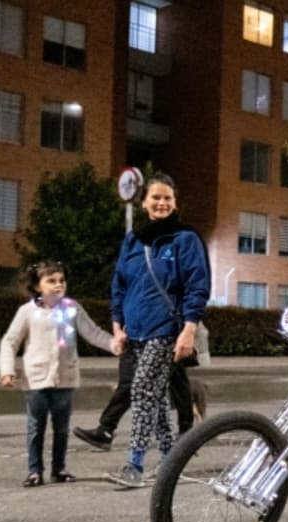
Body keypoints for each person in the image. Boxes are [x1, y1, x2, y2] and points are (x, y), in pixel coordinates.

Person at [105, 173, 210, 488]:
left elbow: (197, 286)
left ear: (175, 202)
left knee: (140, 392)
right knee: (156, 398)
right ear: (145, 202)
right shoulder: (133, 240)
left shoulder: (185, 239)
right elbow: (119, 285)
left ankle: (134, 466)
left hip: (165, 330)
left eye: (168, 198)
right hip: (134, 331)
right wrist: (117, 326)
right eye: (156, 198)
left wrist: (189, 330)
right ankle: (170, 461)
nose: (162, 203)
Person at [0, 260, 115, 487]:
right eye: (50, 281)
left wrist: (115, 345)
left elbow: (93, 333)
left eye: (61, 280)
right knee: (36, 427)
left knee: (61, 429)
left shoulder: (72, 308)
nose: (58, 285)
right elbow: (10, 342)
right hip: (36, 379)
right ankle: (35, 470)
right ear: (37, 286)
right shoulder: (27, 312)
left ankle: (59, 469)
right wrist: (7, 370)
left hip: (65, 379)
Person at [71, 352, 201, 452]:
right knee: (176, 376)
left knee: (135, 381)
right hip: (140, 331)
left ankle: (107, 430)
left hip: (156, 331)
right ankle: (186, 431)